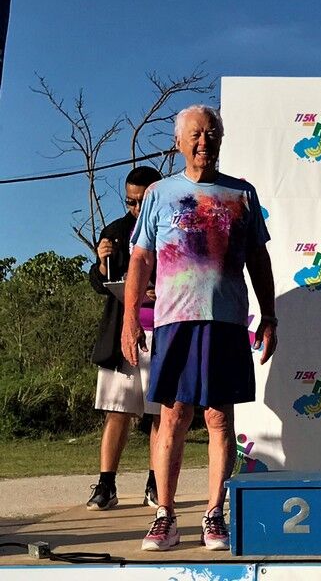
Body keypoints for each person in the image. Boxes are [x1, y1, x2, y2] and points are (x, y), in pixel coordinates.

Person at [121, 105, 277, 551]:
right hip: (174, 320)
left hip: (227, 321)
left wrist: (270, 315)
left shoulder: (242, 194)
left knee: (218, 417)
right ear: (178, 141)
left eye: (210, 133)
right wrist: (131, 316)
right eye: (194, 134)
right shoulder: (159, 194)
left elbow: (258, 259)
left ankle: (214, 514)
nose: (203, 141)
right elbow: (141, 259)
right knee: (173, 415)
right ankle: (165, 515)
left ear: (221, 139)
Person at [86, 166, 162, 511]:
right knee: (117, 410)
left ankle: (156, 482)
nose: (134, 208)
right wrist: (101, 264)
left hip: (163, 331)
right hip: (123, 334)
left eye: (141, 201)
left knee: (160, 413)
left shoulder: (172, 226)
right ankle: (106, 484)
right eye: (129, 201)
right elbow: (100, 283)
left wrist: (156, 291)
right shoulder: (116, 231)